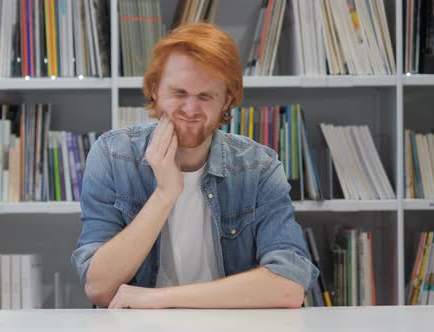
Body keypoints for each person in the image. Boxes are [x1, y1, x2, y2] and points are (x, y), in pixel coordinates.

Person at [71, 23, 319, 309]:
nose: (190, 109)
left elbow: (289, 286)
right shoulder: (113, 156)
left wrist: (159, 299)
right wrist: (165, 194)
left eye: (205, 96)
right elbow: (99, 287)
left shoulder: (258, 167)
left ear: (226, 100)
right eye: (179, 93)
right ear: (154, 90)